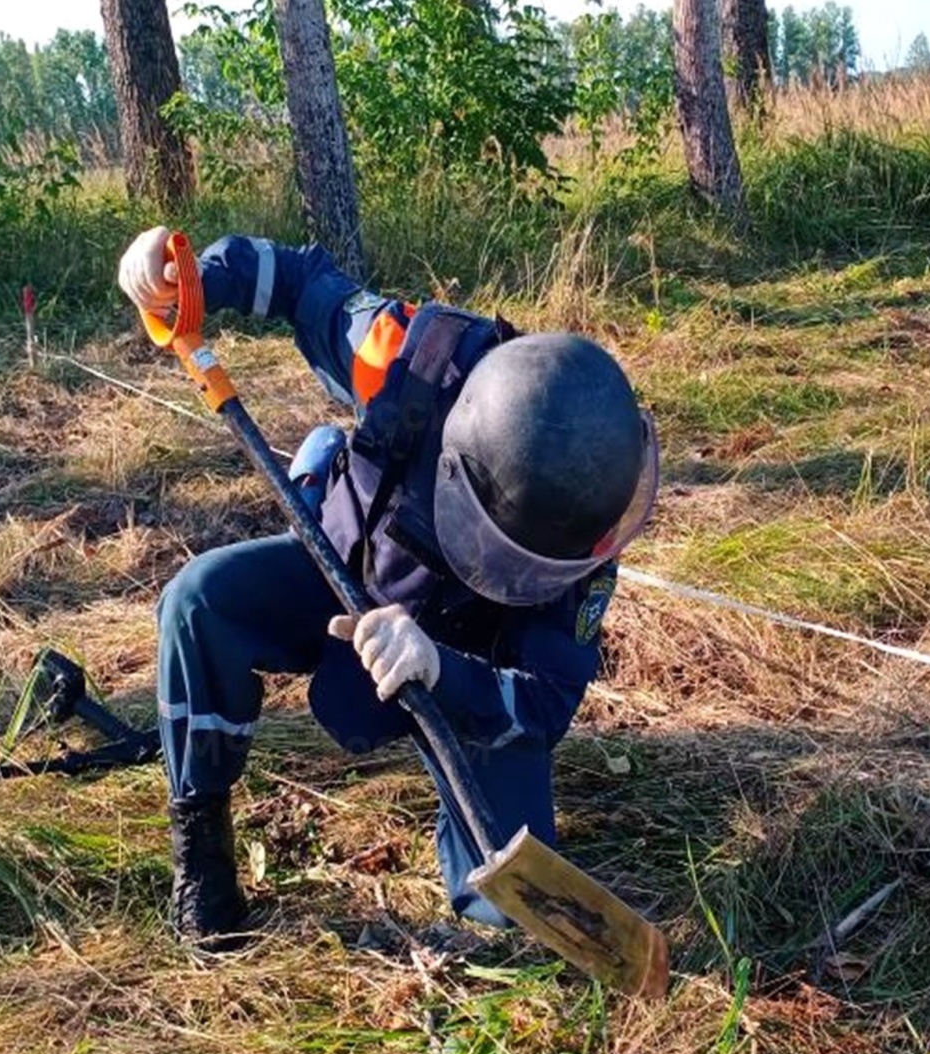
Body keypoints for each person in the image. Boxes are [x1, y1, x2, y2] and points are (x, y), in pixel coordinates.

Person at [116, 227, 659, 947]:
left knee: (506, 913)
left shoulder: (593, 508)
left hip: (463, 665)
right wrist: (182, 275)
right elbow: (299, 282)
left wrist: (439, 665)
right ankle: (201, 843)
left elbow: (546, 701)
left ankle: (480, 890)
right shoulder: (410, 356)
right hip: (343, 573)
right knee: (198, 599)